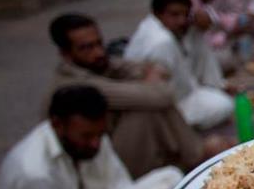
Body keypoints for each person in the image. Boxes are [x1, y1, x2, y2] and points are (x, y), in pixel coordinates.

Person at [0, 85, 182, 189]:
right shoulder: (34, 174)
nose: (96, 144)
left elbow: (121, 188)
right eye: (86, 136)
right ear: (57, 125)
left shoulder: (94, 138)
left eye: (100, 134)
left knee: (172, 179)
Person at [50, 13, 203, 176]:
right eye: (86, 48)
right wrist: (147, 83)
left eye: (99, 43)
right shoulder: (76, 85)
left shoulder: (98, 64)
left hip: (115, 140)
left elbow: (154, 66)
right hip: (97, 158)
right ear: (66, 54)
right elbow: (161, 95)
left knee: (151, 102)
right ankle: (194, 157)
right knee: (146, 109)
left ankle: (192, 155)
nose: (99, 52)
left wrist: (147, 81)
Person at [125, 0, 234, 129]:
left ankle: (215, 85)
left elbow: (205, 21)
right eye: (174, 15)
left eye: (184, 14)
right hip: (170, 107)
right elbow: (165, 93)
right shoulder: (161, 42)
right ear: (157, 13)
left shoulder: (154, 25)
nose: (182, 21)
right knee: (225, 105)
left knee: (196, 35)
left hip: (183, 91)